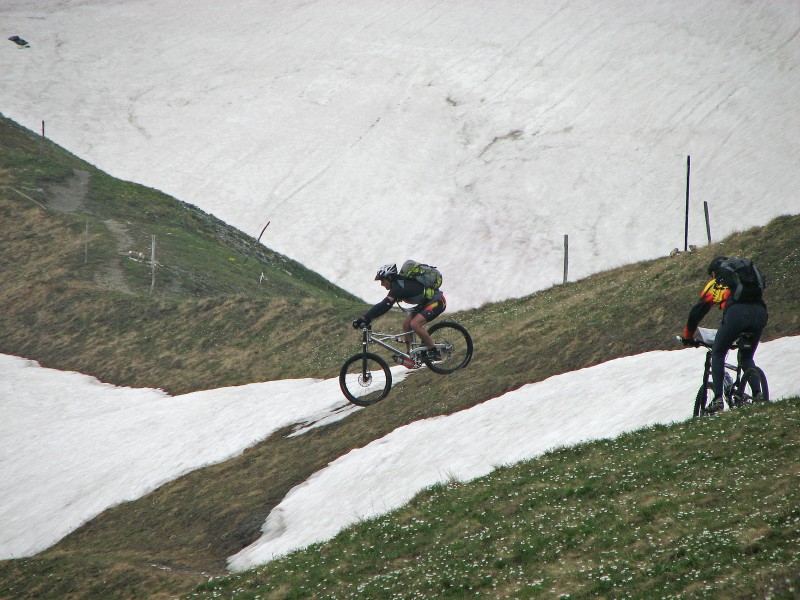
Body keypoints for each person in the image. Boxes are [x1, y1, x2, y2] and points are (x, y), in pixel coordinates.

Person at [681, 255, 768, 413]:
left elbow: (697, 312)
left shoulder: (717, 283)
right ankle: (758, 394)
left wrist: (688, 336)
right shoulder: (745, 279)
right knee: (746, 357)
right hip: (760, 313)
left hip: (736, 315)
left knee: (718, 352)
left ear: (715, 272)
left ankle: (718, 398)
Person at [352, 263, 446, 360]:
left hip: (437, 301)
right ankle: (411, 354)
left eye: (382, 281)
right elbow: (384, 306)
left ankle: (433, 351)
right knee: (406, 325)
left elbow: (384, 305)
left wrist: (365, 318)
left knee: (415, 324)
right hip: (426, 303)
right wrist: (368, 318)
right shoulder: (399, 284)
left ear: (389, 278)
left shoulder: (398, 287)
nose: (382, 284)